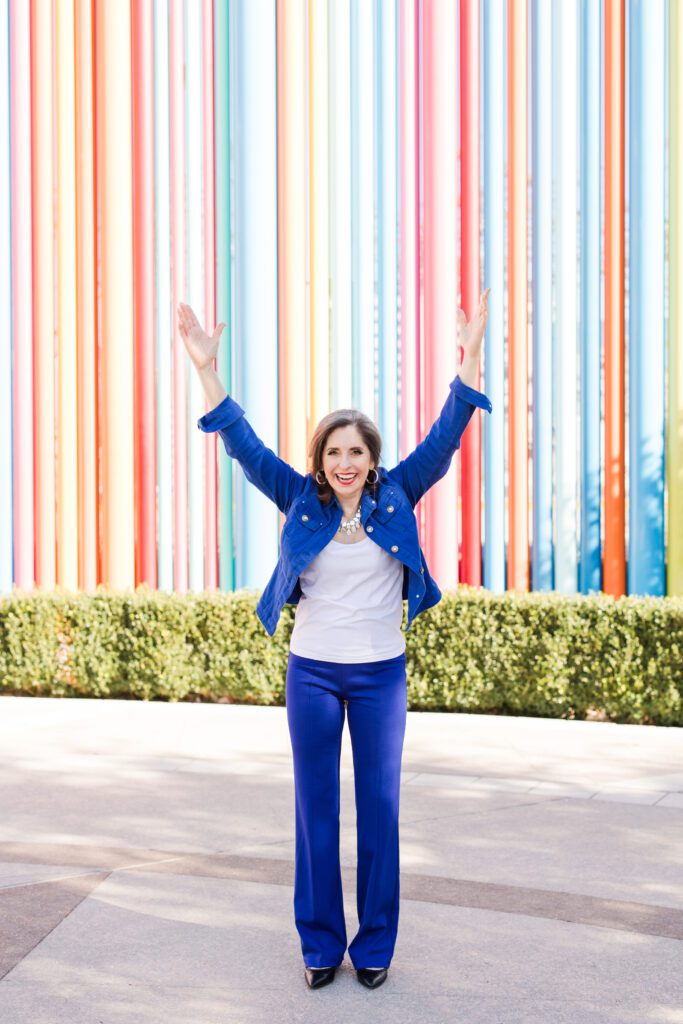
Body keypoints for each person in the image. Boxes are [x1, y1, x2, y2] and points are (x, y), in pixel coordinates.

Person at [177, 291, 492, 991]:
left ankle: (374, 944)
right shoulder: (299, 498)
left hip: (381, 676)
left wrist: (468, 362)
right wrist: (206, 369)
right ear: (318, 461)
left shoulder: (398, 493)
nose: (344, 461)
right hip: (312, 675)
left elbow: (444, 438)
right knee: (314, 811)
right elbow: (244, 445)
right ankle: (319, 946)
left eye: (355, 450)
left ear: (371, 458)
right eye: (332, 451)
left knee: (378, 810)